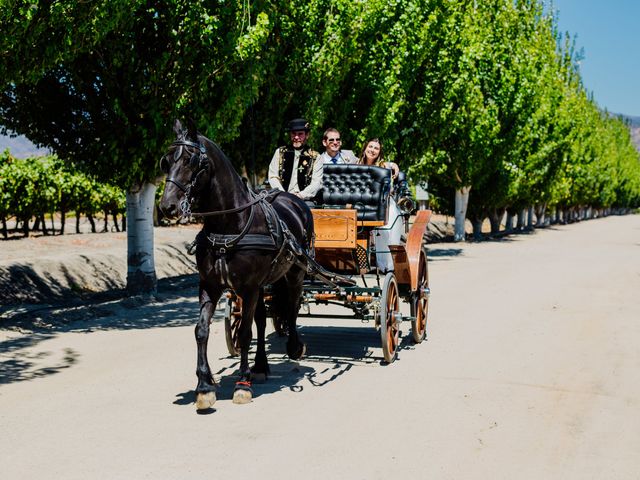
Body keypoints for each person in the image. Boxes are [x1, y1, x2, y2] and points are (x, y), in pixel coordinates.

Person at [358, 138, 403, 273]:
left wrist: (393, 164)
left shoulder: (384, 167)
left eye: (376, 148)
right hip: (361, 204)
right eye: (370, 147)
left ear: (379, 152)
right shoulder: (356, 164)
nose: (372, 150)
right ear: (365, 148)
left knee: (385, 228)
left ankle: (388, 265)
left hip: (383, 203)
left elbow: (388, 190)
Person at [268, 118, 323, 200]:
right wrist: (283, 195)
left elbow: (317, 183)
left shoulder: (315, 157)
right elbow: (273, 176)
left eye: (300, 134)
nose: (296, 137)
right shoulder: (280, 152)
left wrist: (300, 195)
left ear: (307, 135)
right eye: (293, 133)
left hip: (304, 200)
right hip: (281, 198)